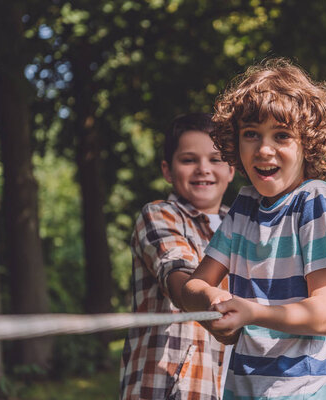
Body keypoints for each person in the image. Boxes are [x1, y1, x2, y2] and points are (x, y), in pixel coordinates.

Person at [181, 58, 326, 399]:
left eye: (281, 135)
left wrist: (252, 312)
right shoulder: (244, 208)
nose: (264, 149)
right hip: (244, 387)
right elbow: (193, 287)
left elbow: (325, 314)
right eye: (251, 134)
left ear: (309, 143)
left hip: (307, 390)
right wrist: (213, 299)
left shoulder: (315, 201)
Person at [119, 113, 235, 400]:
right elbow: (176, 271)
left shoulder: (244, 227)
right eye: (188, 160)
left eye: (215, 159)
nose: (203, 169)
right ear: (168, 171)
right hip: (166, 388)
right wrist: (207, 299)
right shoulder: (159, 214)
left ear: (232, 168)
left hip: (227, 385)